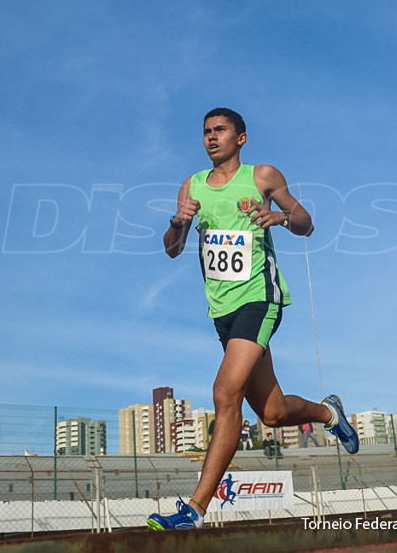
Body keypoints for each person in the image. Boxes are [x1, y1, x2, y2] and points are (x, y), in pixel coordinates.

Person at [147, 108, 359, 531]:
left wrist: (278, 216)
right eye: (206, 132)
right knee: (273, 414)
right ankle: (329, 414)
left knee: (225, 393)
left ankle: (195, 510)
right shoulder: (191, 187)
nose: (211, 137)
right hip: (221, 310)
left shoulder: (261, 177)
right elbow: (172, 248)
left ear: (240, 138)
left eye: (220, 130)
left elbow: (306, 222)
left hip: (259, 299)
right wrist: (178, 221)